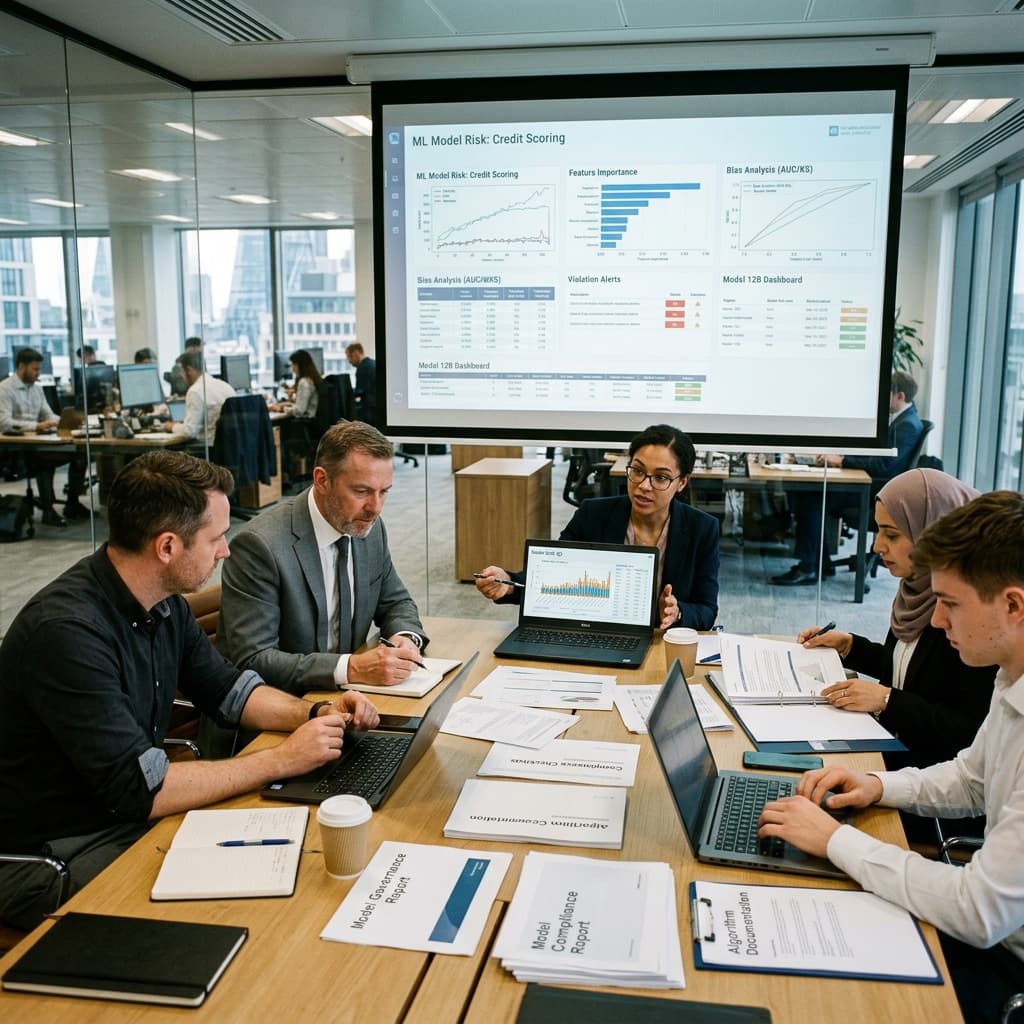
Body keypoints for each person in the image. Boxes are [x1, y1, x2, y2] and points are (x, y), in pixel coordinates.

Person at [0, 451, 379, 931]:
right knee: (257, 910)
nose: (225, 550)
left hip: (120, 816)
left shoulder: (159, 601)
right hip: (53, 852)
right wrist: (284, 760)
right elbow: (145, 790)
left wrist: (316, 714)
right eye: (216, 538)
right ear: (166, 547)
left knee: (292, 867)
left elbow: (230, 691)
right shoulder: (68, 634)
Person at [759, 490, 1024, 1024]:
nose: (940, 621)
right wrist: (879, 788)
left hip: (1001, 965)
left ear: (1013, 605)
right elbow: (972, 778)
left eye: (950, 604)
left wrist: (836, 841)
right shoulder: (1010, 677)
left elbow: (979, 911)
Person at [798, 468, 995, 772]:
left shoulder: (969, 613)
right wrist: (852, 647)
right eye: (879, 532)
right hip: (895, 753)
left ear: (931, 529)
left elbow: (968, 731)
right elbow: (911, 670)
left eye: (891, 534)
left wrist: (888, 700)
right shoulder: (915, 591)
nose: (877, 546)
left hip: (930, 776)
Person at [218, 420, 427, 694]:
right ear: (322, 480)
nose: (375, 508)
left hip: (350, 698)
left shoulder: (369, 528)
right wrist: (351, 668)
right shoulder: (260, 546)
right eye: (361, 491)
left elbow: (396, 602)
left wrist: (405, 637)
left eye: (384, 491)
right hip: (280, 707)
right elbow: (254, 659)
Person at [475, 423, 719, 630]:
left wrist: (678, 613)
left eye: (661, 477)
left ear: (682, 482)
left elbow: (707, 610)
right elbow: (551, 579)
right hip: (595, 634)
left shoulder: (702, 529)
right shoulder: (593, 514)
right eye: (637, 471)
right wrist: (507, 583)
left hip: (661, 643)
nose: (644, 485)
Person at [771, 370, 924, 585]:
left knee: (809, 498)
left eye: (885, 393)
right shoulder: (901, 419)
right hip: (875, 485)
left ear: (899, 396)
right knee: (808, 495)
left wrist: (841, 461)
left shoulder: (907, 425)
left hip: (875, 493)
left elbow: (882, 464)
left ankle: (809, 567)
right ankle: (819, 564)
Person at [0, 346, 89, 525]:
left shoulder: (37, 389)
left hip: (39, 442)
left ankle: (72, 503)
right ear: (21, 366)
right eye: (35, 369)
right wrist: (37, 426)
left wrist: (64, 421)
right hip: (16, 448)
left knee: (80, 455)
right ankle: (48, 511)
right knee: (44, 461)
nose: (38, 373)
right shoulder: (5, 389)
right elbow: (4, 422)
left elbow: (48, 415)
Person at [165, 349, 235, 444]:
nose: (181, 376)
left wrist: (171, 426)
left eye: (181, 371)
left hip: (207, 449)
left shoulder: (195, 391)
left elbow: (189, 432)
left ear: (189, 370)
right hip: (229, 448)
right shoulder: (225, 386)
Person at [270, 349, 321, 418]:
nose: (292, 368)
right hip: (311, 421)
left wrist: (281, 409)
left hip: (305, 423)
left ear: (301, 365)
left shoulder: (304, 382)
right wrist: (289, 404)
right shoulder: (312, 379)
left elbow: (299, 411)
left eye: (294, 364)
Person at [346, 342, 377, 425]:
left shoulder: (363, 367)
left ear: (356, 353)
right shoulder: (373, 363)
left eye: (349, 356)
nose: (349, 361)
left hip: (370, 411)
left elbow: (359, 391)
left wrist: (346, 394)